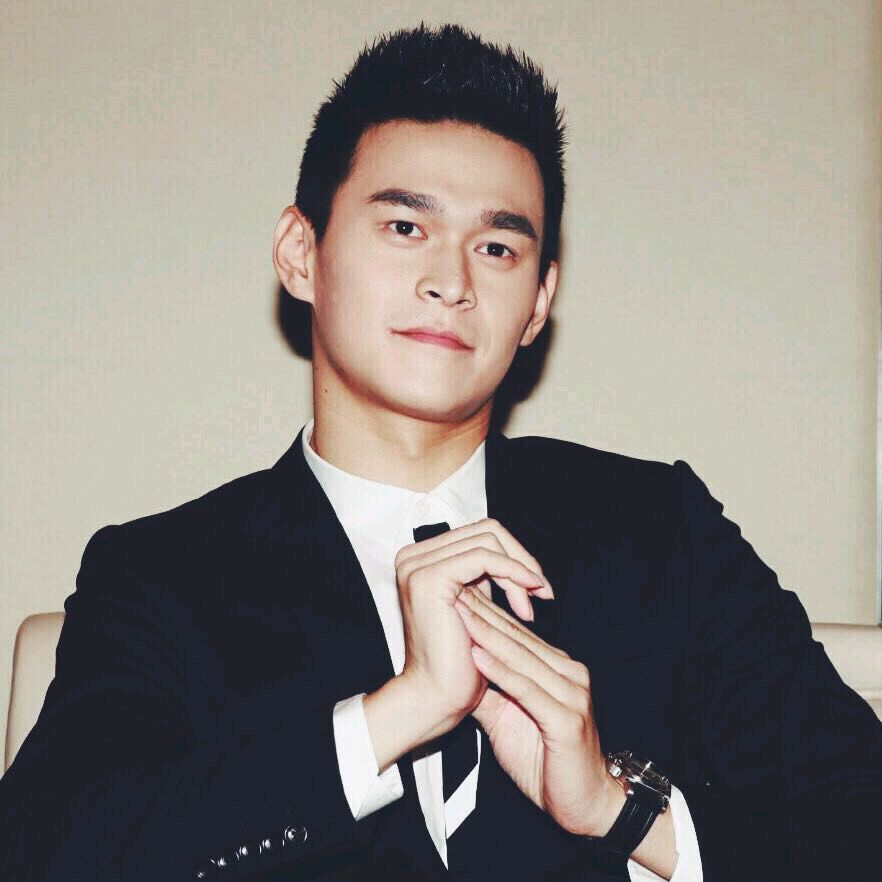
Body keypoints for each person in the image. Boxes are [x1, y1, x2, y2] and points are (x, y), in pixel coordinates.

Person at [0, 22, 880, 882]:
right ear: (301, 254)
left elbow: (859, 816)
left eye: (496, 246)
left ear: (538, 303)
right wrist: (392, 718)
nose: (452, 282)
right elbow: (49, 854)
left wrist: (617, 809)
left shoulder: (660, 532)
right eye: (405, 228)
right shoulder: (161, 574)